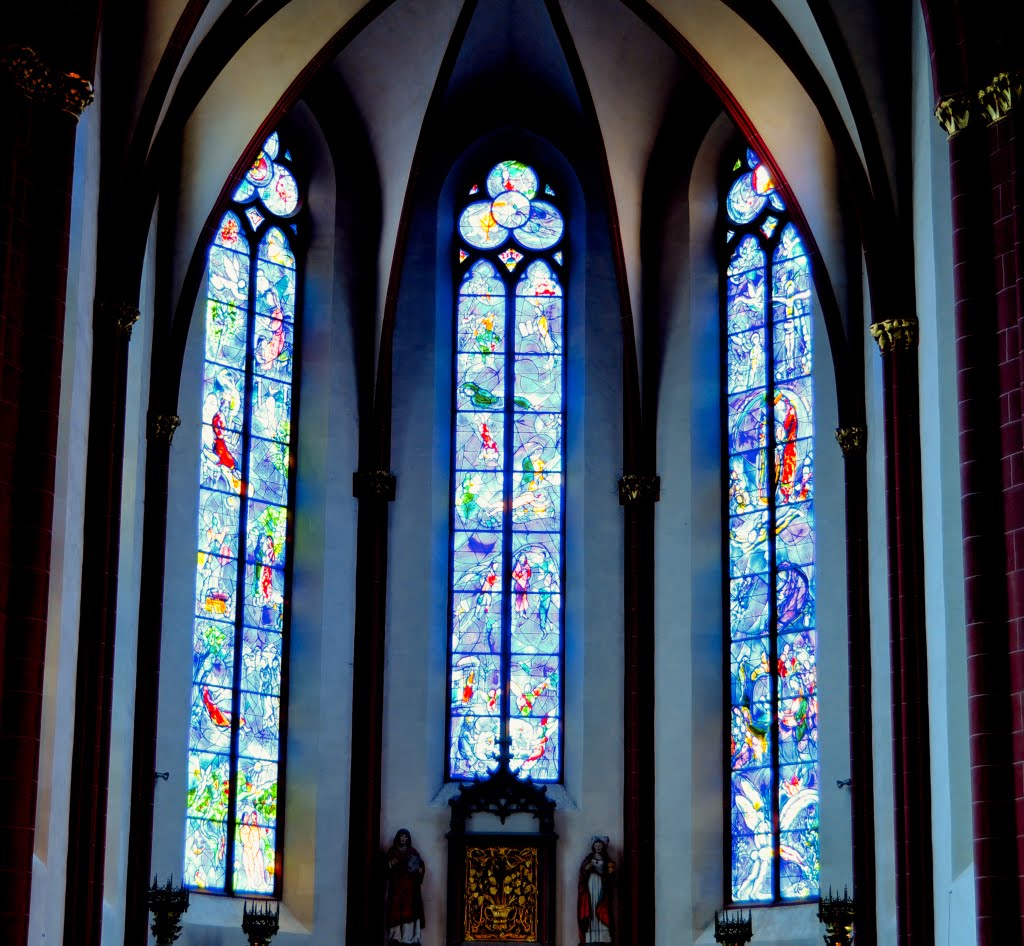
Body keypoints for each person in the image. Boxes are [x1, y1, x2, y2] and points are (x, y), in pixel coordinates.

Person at [385, 829, 425, 945]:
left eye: (405, 837)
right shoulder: (392, 851)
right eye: (402, 836)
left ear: (408, 838)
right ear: (398, 837)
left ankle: (409, 937)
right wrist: (390, 864)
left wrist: (420, 869)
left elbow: (420, 865)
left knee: (410, 913)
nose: (403, 839)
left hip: (410, 889)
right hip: (397, 888)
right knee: (396, 913)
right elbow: (386, 868)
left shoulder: (412, 851)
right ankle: (396, 936)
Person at [577, 837, 615, 944]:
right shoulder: (589, 858)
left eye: (600, 845)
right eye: (596, 845)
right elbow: (583, 871)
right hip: (591, 884)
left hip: (601, 885)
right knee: (592, 906)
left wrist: (609, 872)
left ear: (603, 846)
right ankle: (591, 936)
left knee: (602, 906)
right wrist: (588, 867)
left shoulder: (607, 859)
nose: (598, 847)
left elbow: (610, 874)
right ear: (593, 846)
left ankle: (603, 936)